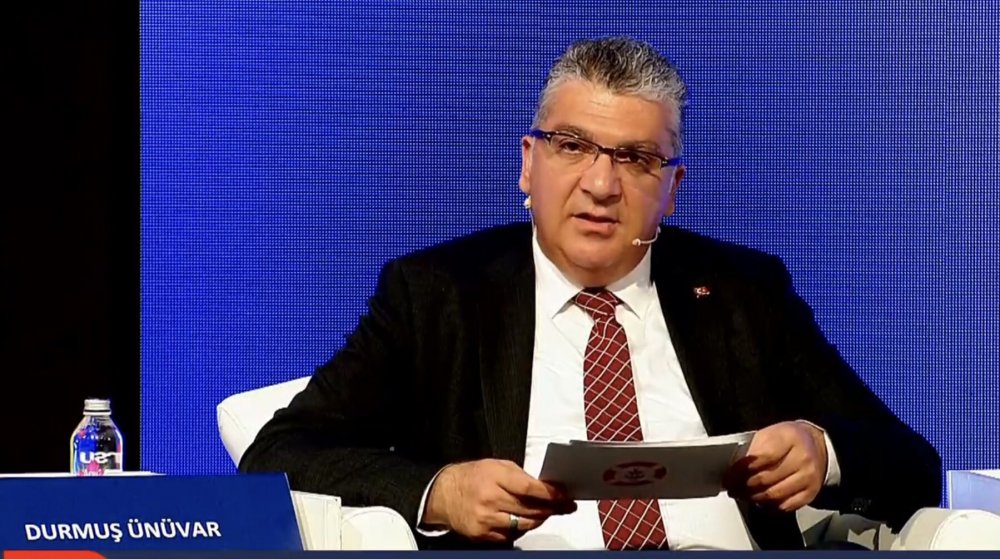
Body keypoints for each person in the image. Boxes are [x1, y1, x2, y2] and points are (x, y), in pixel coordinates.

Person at [239, 37, 941, 550]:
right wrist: (440, 491)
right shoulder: (437, 295)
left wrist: (823, 450)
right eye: (573, 146)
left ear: (672, 189)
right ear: (529, 163)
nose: (602, 185)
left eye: (636, 158)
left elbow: (913, 465)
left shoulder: (743, 291)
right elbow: (280, 451)